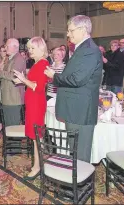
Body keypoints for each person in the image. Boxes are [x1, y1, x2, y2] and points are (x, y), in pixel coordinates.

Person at [44, 15, 102, 163]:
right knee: (74, 152)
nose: (68, 34)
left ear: (82, 30)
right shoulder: (82, 48)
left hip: (81, 111)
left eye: (71, 30)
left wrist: (54, 76)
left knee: (80, 155)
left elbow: (77, 79)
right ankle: (76, 183)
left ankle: (80, 185)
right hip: (75, 109)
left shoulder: (89, 49)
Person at [13, 37, 49, 180]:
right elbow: (33, 83)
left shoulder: (43, 64)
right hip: (33, 103)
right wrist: (22, 80)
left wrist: (23, 79)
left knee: (36, 136)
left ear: (41, 49)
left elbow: (37, 87)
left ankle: (37, 167)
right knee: (35, 136)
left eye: (33, 48)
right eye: (29, 48)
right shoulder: (37, 63)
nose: (30, 51)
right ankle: (37, 164)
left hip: (37, 104)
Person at [0, 38, 25, 126]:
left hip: (13, 99)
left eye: (7, 46)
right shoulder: (9, 59)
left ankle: (15, 140)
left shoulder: (19, 59)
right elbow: (4, 77)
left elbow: (14, 76)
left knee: (13, 127)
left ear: (14, 47)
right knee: (8, 127)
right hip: (7, 98)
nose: (5, 48)